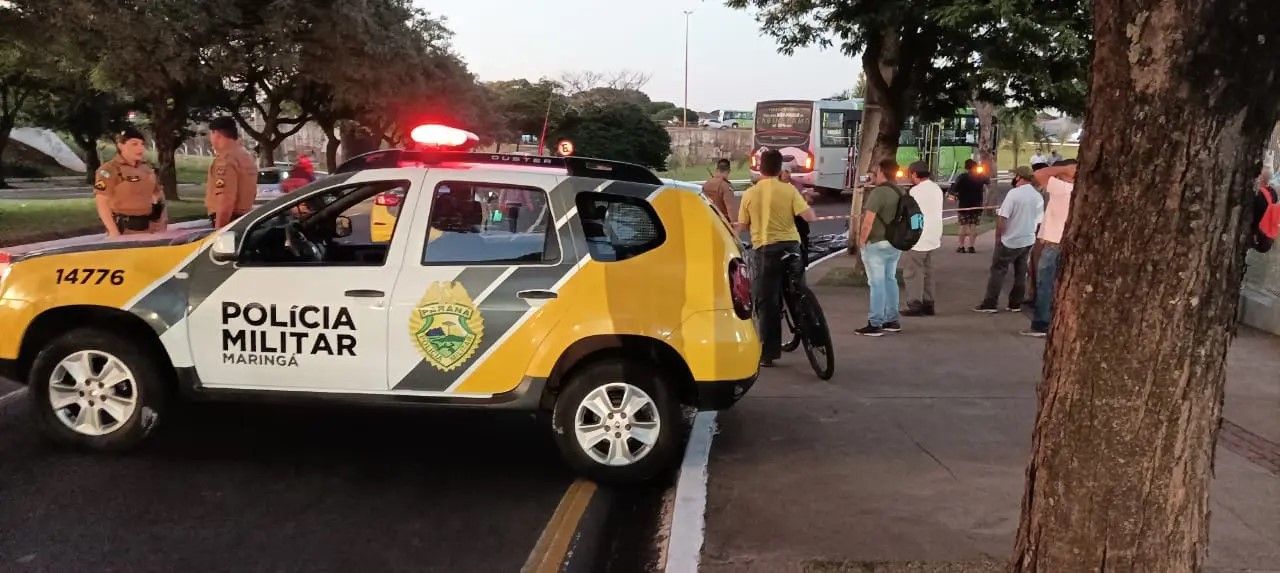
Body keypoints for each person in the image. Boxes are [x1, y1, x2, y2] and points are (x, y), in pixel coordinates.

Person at [738, 149, 817, 366]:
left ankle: (768, 354)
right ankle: (814, 331)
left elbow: (743, 226)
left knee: (767, 303)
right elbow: (810, 216)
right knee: (799, 291)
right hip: (792, 247)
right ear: (779, 169)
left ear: (760, 168)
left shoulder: (750, 194)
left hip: (766, 250)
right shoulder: (789, 190)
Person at [974, 167, 1043, 313]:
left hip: (1010, 239)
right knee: (1021, 271)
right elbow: (1038, 220)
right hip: (1027, 239)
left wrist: (999, 237)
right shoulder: (1037, 196)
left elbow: (1003, 218)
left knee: (998, 270)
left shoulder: (1014, 194)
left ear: (1019, 177)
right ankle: (1015, 303)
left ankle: (990, 303)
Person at [1021, 160, 1077, 337]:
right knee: (1054, 283)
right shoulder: (1073, 191)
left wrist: (1064, 169)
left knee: (1045, 283)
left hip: (1054, 243)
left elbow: (1039, 174)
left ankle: (1041, 323)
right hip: (1060, 241)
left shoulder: (1063, 189)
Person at [855, 159, 907, 337]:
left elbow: (868, 222)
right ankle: (892, 320)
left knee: (876, 283)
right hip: (894, 243)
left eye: (876, 171)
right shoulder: (900, 191)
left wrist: (861, 241)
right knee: (890, 280)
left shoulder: (878, 193)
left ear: (881, 171)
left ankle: (875, 322)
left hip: (876, 244)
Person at [94, 127, 167, 237]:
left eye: (142, 144)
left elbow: (159, 195)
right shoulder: (109, 170)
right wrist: (114, 232)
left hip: (150, 229)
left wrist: (162, 223)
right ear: (121, 146)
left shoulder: (146, 168)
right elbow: (102, 203)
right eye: (134, 144)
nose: (140, 148)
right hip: (125, 231)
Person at [901, 161, 944, 317]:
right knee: (927, 271)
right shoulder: (937, 189)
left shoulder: (915, 192)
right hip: (933, 235)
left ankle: (915, 304)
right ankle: (928, 303)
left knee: (913, 272)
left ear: (914, 174)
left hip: (918, 238)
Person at [205, 116, 258, 228]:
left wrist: (219, 231)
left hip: (228, 221)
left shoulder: (226, 160)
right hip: (243, 219)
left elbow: (226, 200)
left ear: (216, 134)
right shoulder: (245, 157)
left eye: (211, 134)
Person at [949, 159, 987, 253]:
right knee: (973, 226)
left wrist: (953, 196)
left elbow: (954, 189)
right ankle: (971, 246)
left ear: (966, 167)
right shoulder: (980, 177)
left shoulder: (962, 177)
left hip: (964, 205)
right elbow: (988, 180)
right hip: (976, 205)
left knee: (963, 226)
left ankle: (961, 246)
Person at [780, 165, 815, 266]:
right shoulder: (777, 185)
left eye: (787, 171)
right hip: (784, 221)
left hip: (798, 218)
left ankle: (803, 262)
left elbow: (808, 198)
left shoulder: (796, 185)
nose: (785, 174)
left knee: (802, 240)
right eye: (783, 172)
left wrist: (804, 199)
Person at [1252, 167, 1279, 253]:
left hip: (1258, 236)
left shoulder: (1258, 196)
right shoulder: (1273, 194)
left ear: (1261, 178)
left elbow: (1254, 216)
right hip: (1267, 238)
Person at [702, 158, 735, 223]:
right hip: (722, 222)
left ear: (717, 170)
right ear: (728, 171)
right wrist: (734, 222)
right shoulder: (725, 186)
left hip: (708, 219)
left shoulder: (706, 184)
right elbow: (730, 207)